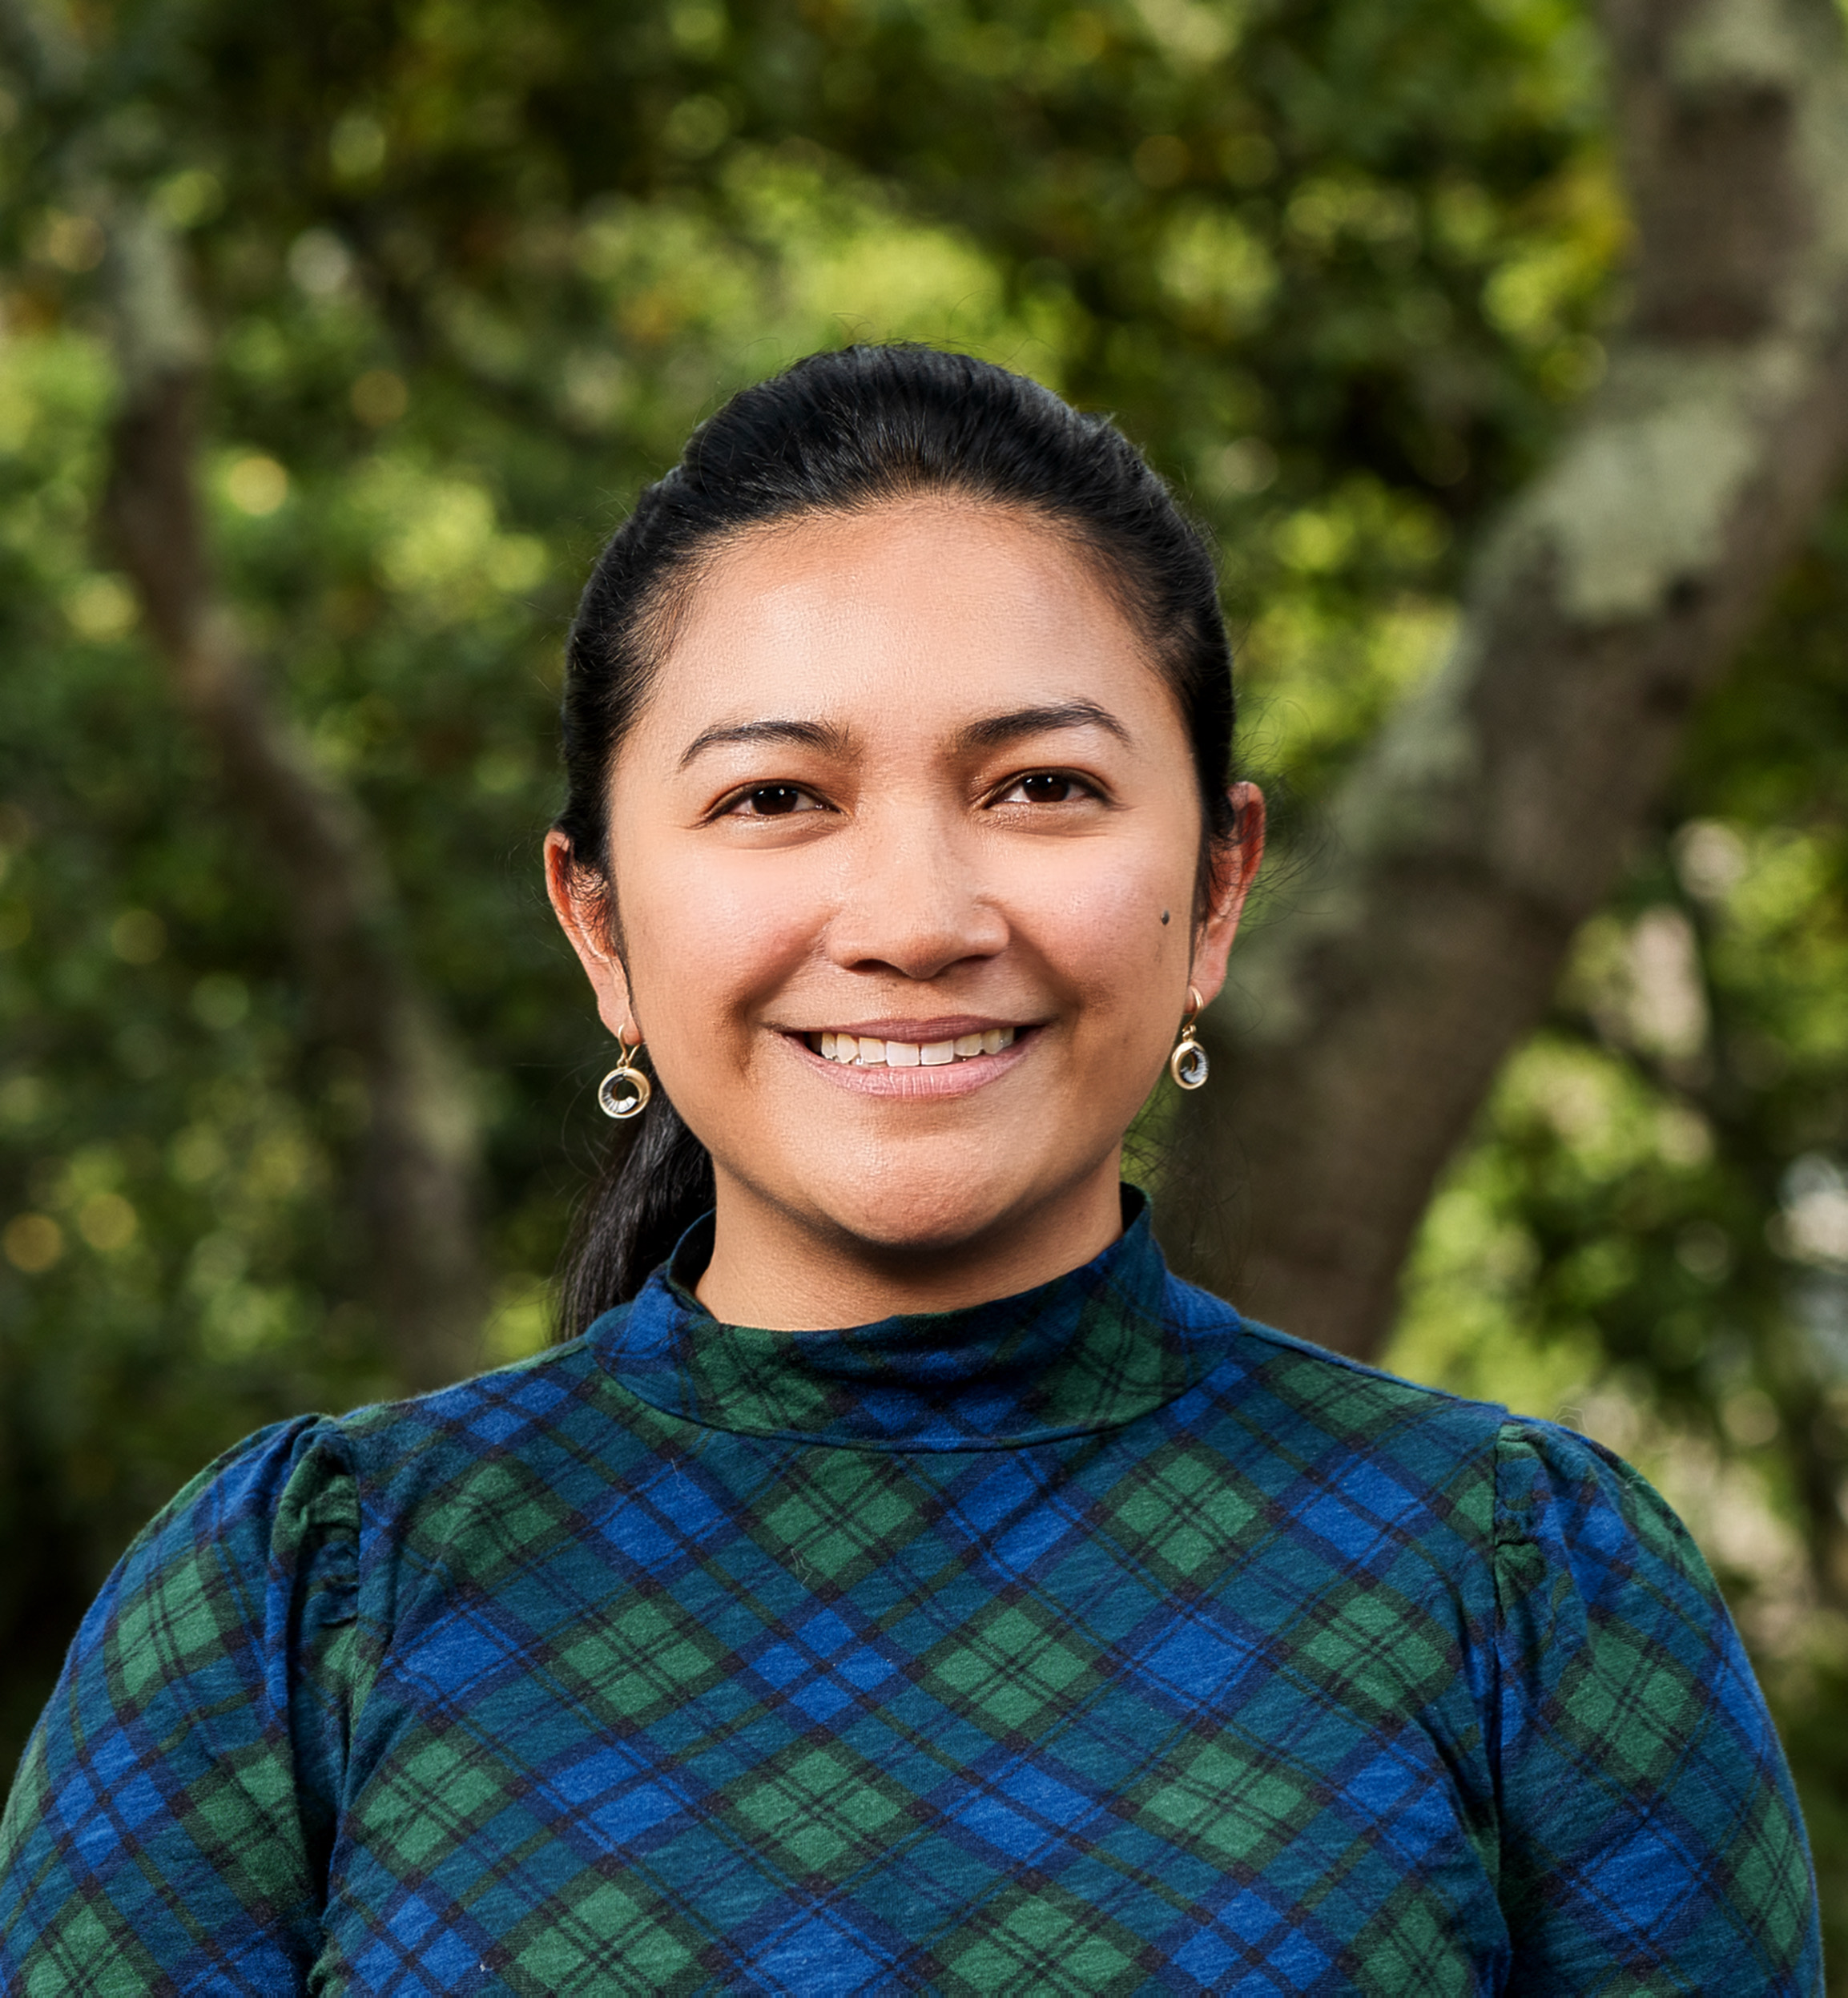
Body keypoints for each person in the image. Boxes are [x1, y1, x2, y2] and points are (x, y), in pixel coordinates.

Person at [0, 345, 1820, 1994]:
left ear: (1217, 888)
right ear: (601, 923)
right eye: (775, 797)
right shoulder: (297, 1605)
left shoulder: (1523, 1590)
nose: (916, 921)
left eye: (1037, 786)